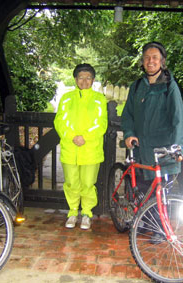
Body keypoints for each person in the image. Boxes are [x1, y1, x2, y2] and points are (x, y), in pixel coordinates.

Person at [121, 41, 183, 194]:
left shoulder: (169, 86)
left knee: (160, 200)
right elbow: (128, 114)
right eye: (147, 57)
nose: (151, 61)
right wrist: (129, 134)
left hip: (162, 153)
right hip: (140, 152)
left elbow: (178, 119)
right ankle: (138, 218)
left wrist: (178, 147)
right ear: (143, 62)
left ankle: (155, 219)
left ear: (162, 61)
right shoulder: (136, 86)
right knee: (140, 196)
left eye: (155, 57)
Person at [54, 64, 108, 230]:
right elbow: (60, 121)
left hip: (90, 150)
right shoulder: (67, 98)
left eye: (88, 77)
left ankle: (86, 213)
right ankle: (72, 212)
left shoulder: (99, 99)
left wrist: (85, 137)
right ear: (76, 79)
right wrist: (72, 137)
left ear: (93, 80)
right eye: (81, 77)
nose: (84, 81)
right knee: (71, 182)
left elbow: (101, 123)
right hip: (70, 149)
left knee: (88, 183)